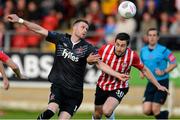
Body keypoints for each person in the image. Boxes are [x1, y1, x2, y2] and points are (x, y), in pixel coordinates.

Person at [6, 14, 130, 120]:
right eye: (82, 27)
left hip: (75, 94)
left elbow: (101, 65)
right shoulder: (61, 39)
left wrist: (118, 74)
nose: (85, 30)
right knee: (50, 111)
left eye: (87, 28)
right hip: (59, 87)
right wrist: (20, 21)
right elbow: (39, 29)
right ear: (74, 27)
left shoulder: (88, 48)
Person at [92, 33, 169, 120]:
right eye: (117, 44)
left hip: (120, 86)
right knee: (97, 114)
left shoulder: (132, 56)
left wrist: (158, 85)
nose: (119, 48)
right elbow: (97, 62)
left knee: (106, 111)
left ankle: (110, 114)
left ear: (127, 46)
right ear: (114, 43)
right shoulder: (105, 49)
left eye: (122, 46)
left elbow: (145, 70)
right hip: (103, 84)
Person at [140, 28, 177, 119]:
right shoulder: (143, 50)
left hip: (162, 82)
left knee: (155, 108)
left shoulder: (164, 50)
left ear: (158, 37)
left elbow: (174, 63)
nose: (152, 37)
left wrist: (164, 71)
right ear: (147, 37)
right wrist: (141, 72)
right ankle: (164, 115)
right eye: (150, 35)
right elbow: (141, 64)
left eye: (154, 35)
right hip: (151, 82)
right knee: (146, 110)